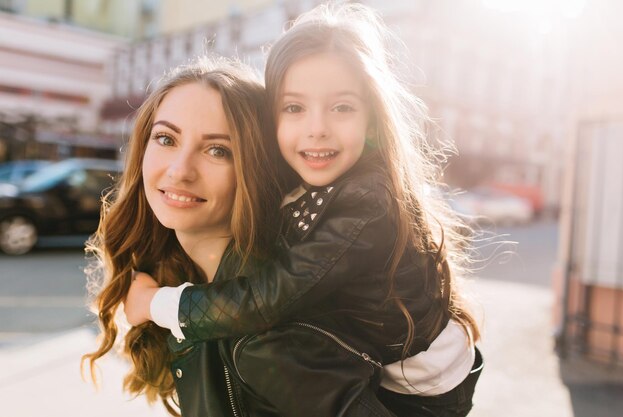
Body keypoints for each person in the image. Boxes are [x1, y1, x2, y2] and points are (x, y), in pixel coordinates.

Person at [127, 3, 483, 416]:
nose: (317, 128)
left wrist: (158, 304)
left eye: (342, 108)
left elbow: (269, 298)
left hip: (422, 394)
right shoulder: (312, 181)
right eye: (294, 108)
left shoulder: (367, 202)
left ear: (372, 120)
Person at [82, 57, 392, 417]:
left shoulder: (263, 339)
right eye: (166, 138)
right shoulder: (187, 279)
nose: (180, 170)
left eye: (218, 150)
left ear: (256, 169)